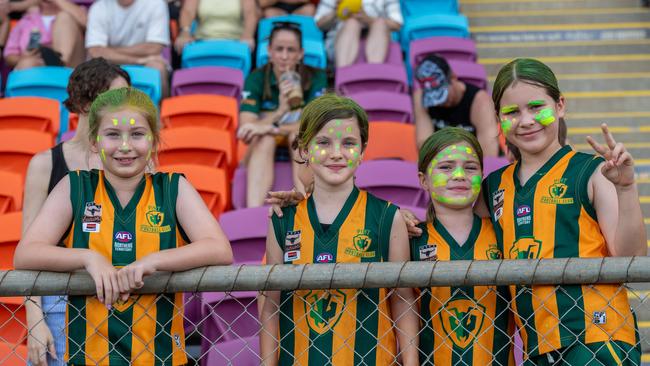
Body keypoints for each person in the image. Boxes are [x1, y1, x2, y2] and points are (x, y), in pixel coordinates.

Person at [14, 87, 234, 365]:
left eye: (138, 134)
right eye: (113, 135)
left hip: (161, 356)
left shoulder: (173, 188)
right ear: (94, 142)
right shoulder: (75, 186)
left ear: (154, 141)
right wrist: (88, 257)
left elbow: (220, 249)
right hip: (88, 357)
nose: (126, 146)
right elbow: (26, 253)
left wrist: (154, 261)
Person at [482, 58, 646, 365]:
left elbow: (632, 259)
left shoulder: (592, 171)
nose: (526, 120)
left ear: (560, 106)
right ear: (498, 118)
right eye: (512, 112)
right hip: (536, 346)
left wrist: (625, 188)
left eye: (536, 107)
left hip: (596, 340)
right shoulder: (493, 186)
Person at [259, 94, 418, 365]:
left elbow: (402, 301)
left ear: (363, 149)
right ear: (304, 150)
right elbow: (271, 306)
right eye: (323, 142)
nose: (336, 153)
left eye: (349, 143)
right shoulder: (282, 221)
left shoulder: (387, 217)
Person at [22, 57, 131, 366]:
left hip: (119, 301)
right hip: (58, 305)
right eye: (115, 98)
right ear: (85, 103)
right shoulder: (44, 163)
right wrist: (34, 320)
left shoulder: (132, 160)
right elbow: (27, 248)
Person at [411, 127, 513, 365]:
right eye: (446, 167)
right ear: (423, 180)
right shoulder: (411, 238)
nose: (459, 175)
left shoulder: (502, 233)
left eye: (470, 167)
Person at [238, 22, 327, 208]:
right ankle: (253, 213)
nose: (284, 56)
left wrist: (272, 127)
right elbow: (246, 128)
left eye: (291, 50)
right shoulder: (256, 78)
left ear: (300, 53)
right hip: (260, 148)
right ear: (269, 51)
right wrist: (280, 111)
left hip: (299, 145)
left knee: (298, 137)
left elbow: (318, 125)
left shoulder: (316, 77)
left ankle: (305, 207)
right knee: (265, 139)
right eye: (279, 49)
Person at [413, 54, 499, 157]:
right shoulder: (421, 97)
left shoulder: (480, 102)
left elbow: (489, 152)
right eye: (433, 99)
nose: (439, 103)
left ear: (453, 77)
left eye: (442, 95)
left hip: (473, 162)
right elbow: (424, 144)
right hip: (442, 161)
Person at [85, 0, 171, 97]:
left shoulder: (156, 3)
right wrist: (138, 60)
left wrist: (108, 50)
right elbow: (95, 52)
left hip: (142, 62)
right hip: (110, 64)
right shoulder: (99, 7)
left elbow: (154, 47)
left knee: (158, 68)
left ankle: (162, 110)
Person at [315, 0, 402, 67]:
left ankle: (374, 73)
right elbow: (319, 24)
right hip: (338, 44)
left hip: (379, 43)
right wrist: (336, 12)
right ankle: (343, 76)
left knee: (379, 23)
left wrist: (368, 20)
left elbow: (397, 24)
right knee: (352, 23)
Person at [3, 0, 86, 69]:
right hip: (37, 65)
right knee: (27, 63)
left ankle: (59, 62)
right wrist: (26, 57)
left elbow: (89, 24)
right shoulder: (25, 20)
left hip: (70, 68)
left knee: (64, 17)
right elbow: (9, 55)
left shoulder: (75, 11)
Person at [173, 0, 258, 53]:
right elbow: (187, 12)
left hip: (236, 41)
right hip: (202, 41)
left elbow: (250, 13)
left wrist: (248, 34)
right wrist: (185, 32)